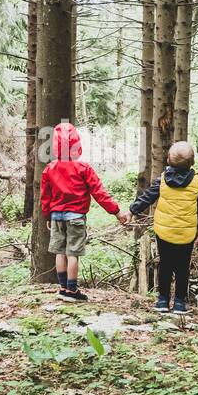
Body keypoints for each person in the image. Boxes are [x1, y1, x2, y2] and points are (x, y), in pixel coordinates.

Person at [39, 122, 129, 301]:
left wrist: (47, 215)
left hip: (56, 216)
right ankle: (72, 291)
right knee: (73, 253)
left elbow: (45, 196)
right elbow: (99, 193)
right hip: (76, 217)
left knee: (60, 252)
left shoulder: (50, 169)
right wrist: (117, 212)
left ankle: (63, 288)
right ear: (76, 145)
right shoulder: (84, 169)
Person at [129, 140, 198, 314]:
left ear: (168, 161)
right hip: (186, 234)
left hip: (164, 232)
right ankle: (179, 303)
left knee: (165, 264)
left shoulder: (163, 180)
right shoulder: (197, 182)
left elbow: (147, 197)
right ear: (191, 162)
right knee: (182, 267)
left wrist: (132, 210)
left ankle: (162, 301)